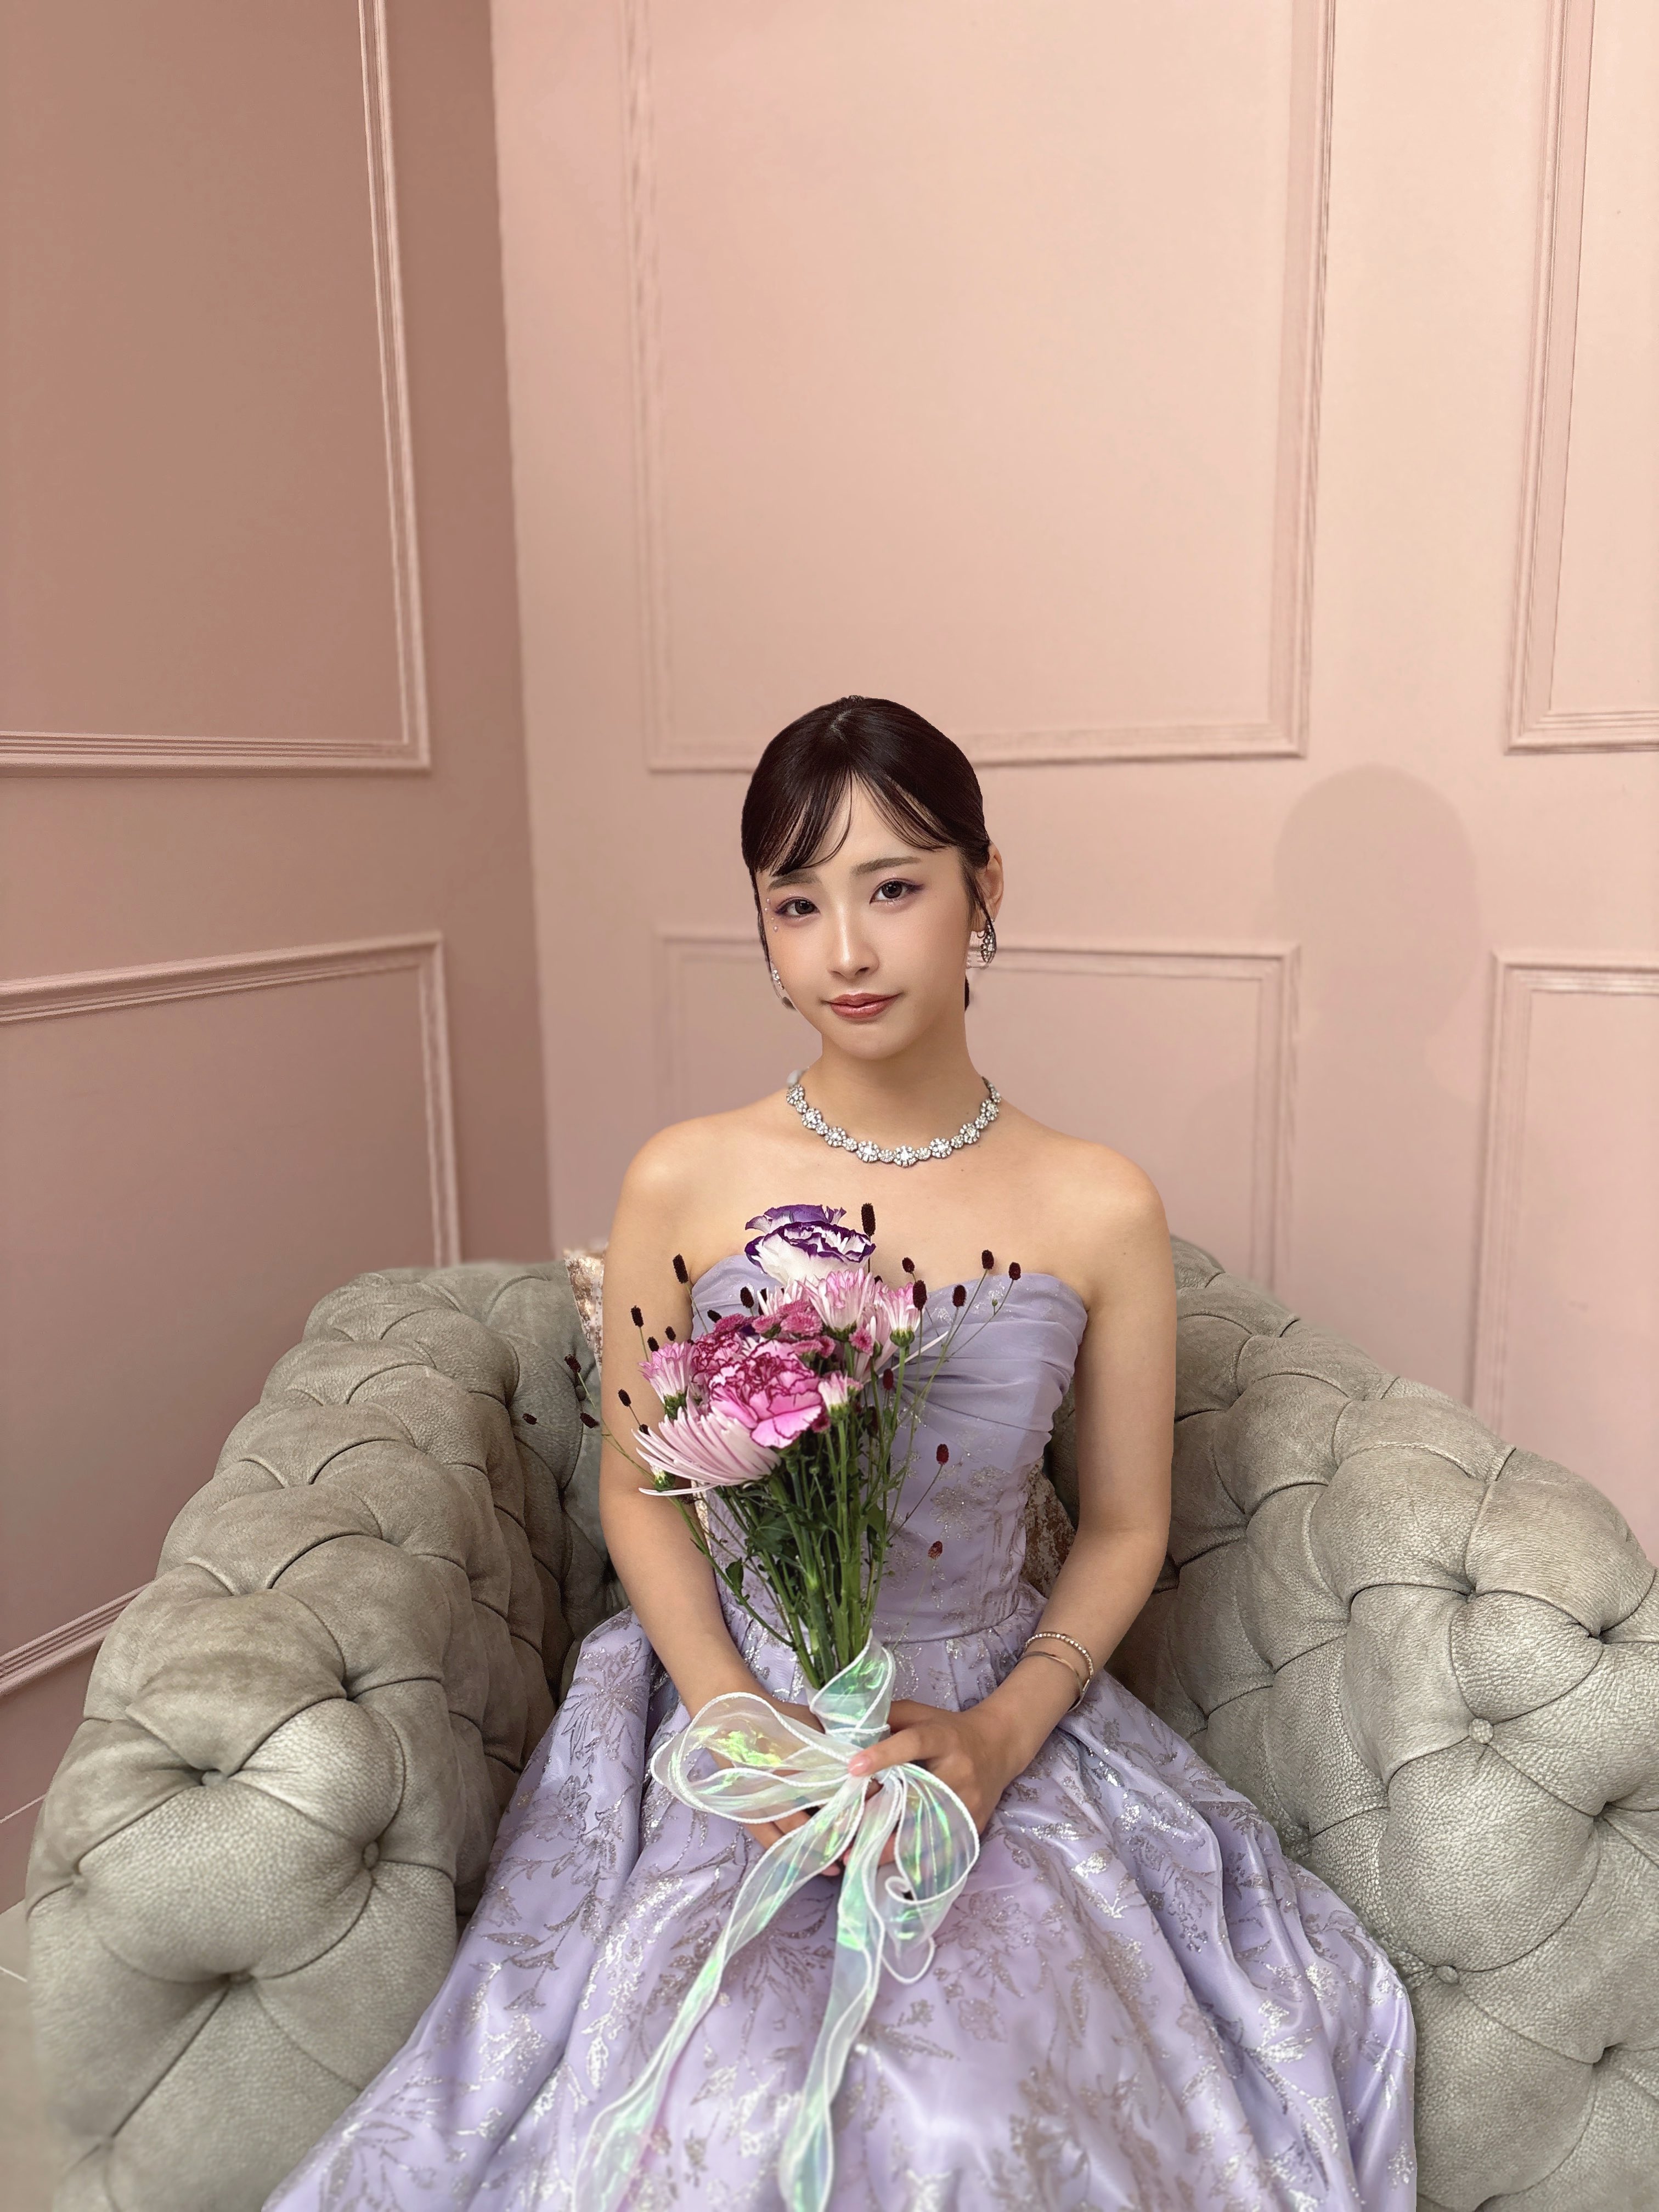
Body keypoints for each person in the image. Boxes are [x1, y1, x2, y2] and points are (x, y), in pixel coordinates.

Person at [267, 697, 1416, 2209]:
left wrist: (999, 1738)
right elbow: (642, 1485)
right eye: (798, 903)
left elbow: (1126, 1525)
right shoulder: (685, 1177)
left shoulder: (1098, 1204)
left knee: (970, 2118)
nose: (847, 952)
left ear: (984, 888)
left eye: (894, 888)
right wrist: (737, 1719)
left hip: (984, 1716)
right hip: (732, 1698)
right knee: (717, 2097)